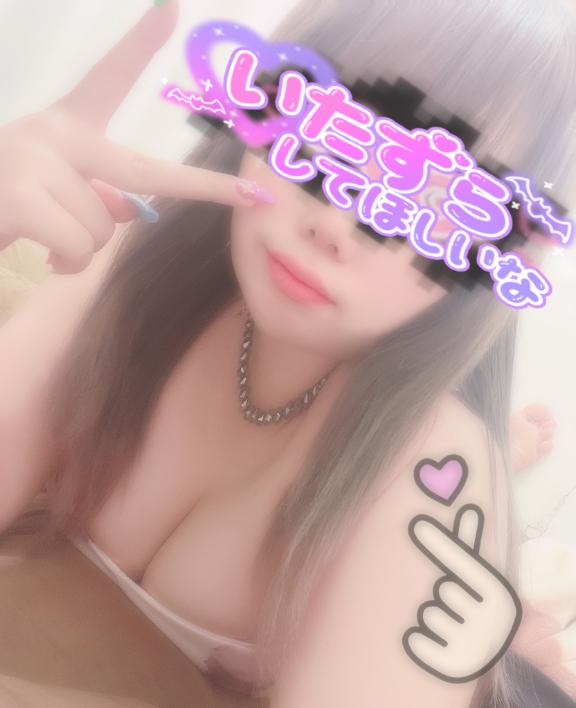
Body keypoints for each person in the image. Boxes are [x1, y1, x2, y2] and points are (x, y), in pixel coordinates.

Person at [0, 0, 574, 706]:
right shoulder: (131, 265)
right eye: (333, 126)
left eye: (439, 196)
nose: (337, 220)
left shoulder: (432, 472)